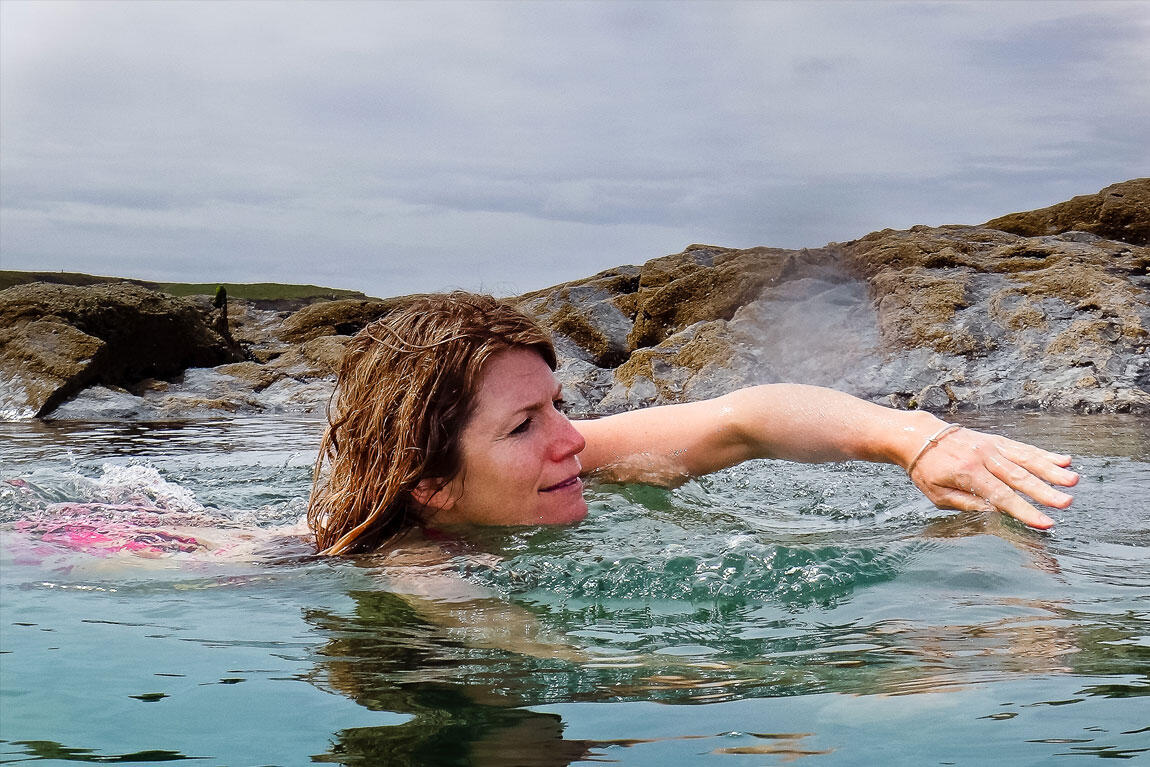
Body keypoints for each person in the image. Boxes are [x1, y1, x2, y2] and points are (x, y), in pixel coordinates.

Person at [308, 292, 1078, 555]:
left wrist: (921, 439)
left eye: (560, 405)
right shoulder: (423, 570)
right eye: (522, 427)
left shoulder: (564, 462)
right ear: (431, 484)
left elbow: (745, 419)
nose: (572, 438)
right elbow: (586, 665)